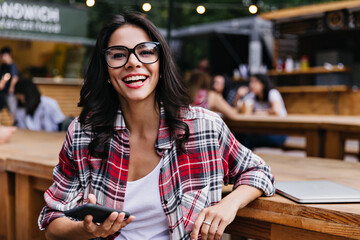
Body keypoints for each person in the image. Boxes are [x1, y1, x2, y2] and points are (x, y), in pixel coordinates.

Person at [38, 13, 275, 240]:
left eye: (145, 51)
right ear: (106, 70)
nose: (133, 62)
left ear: (161, 64)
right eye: (118, 55)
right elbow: (52, 223)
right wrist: (87, 230)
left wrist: (228, 204)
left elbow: (259, 172)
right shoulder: (83, 133)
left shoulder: (204, 126)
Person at [235, 74, 287, 149]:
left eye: (254, 82)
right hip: (264, 131)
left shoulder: (272, 93)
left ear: (263, 84)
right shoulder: (253, 96)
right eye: (250, 82)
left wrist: (257, 112)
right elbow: (239, 107)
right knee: (239, 134)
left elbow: (276, 111)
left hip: (279, 132)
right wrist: (238, 96)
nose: (251, 85)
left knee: (246, 138)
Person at [0, 46, 19, 120]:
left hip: (9, 92)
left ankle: (16, 123)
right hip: (3, 92)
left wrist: (11, 87)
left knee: (12, 109)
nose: (1, 58)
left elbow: (14, 77)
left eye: (2, 56)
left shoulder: (12, 66)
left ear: (7, 55)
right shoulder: (3, 66)